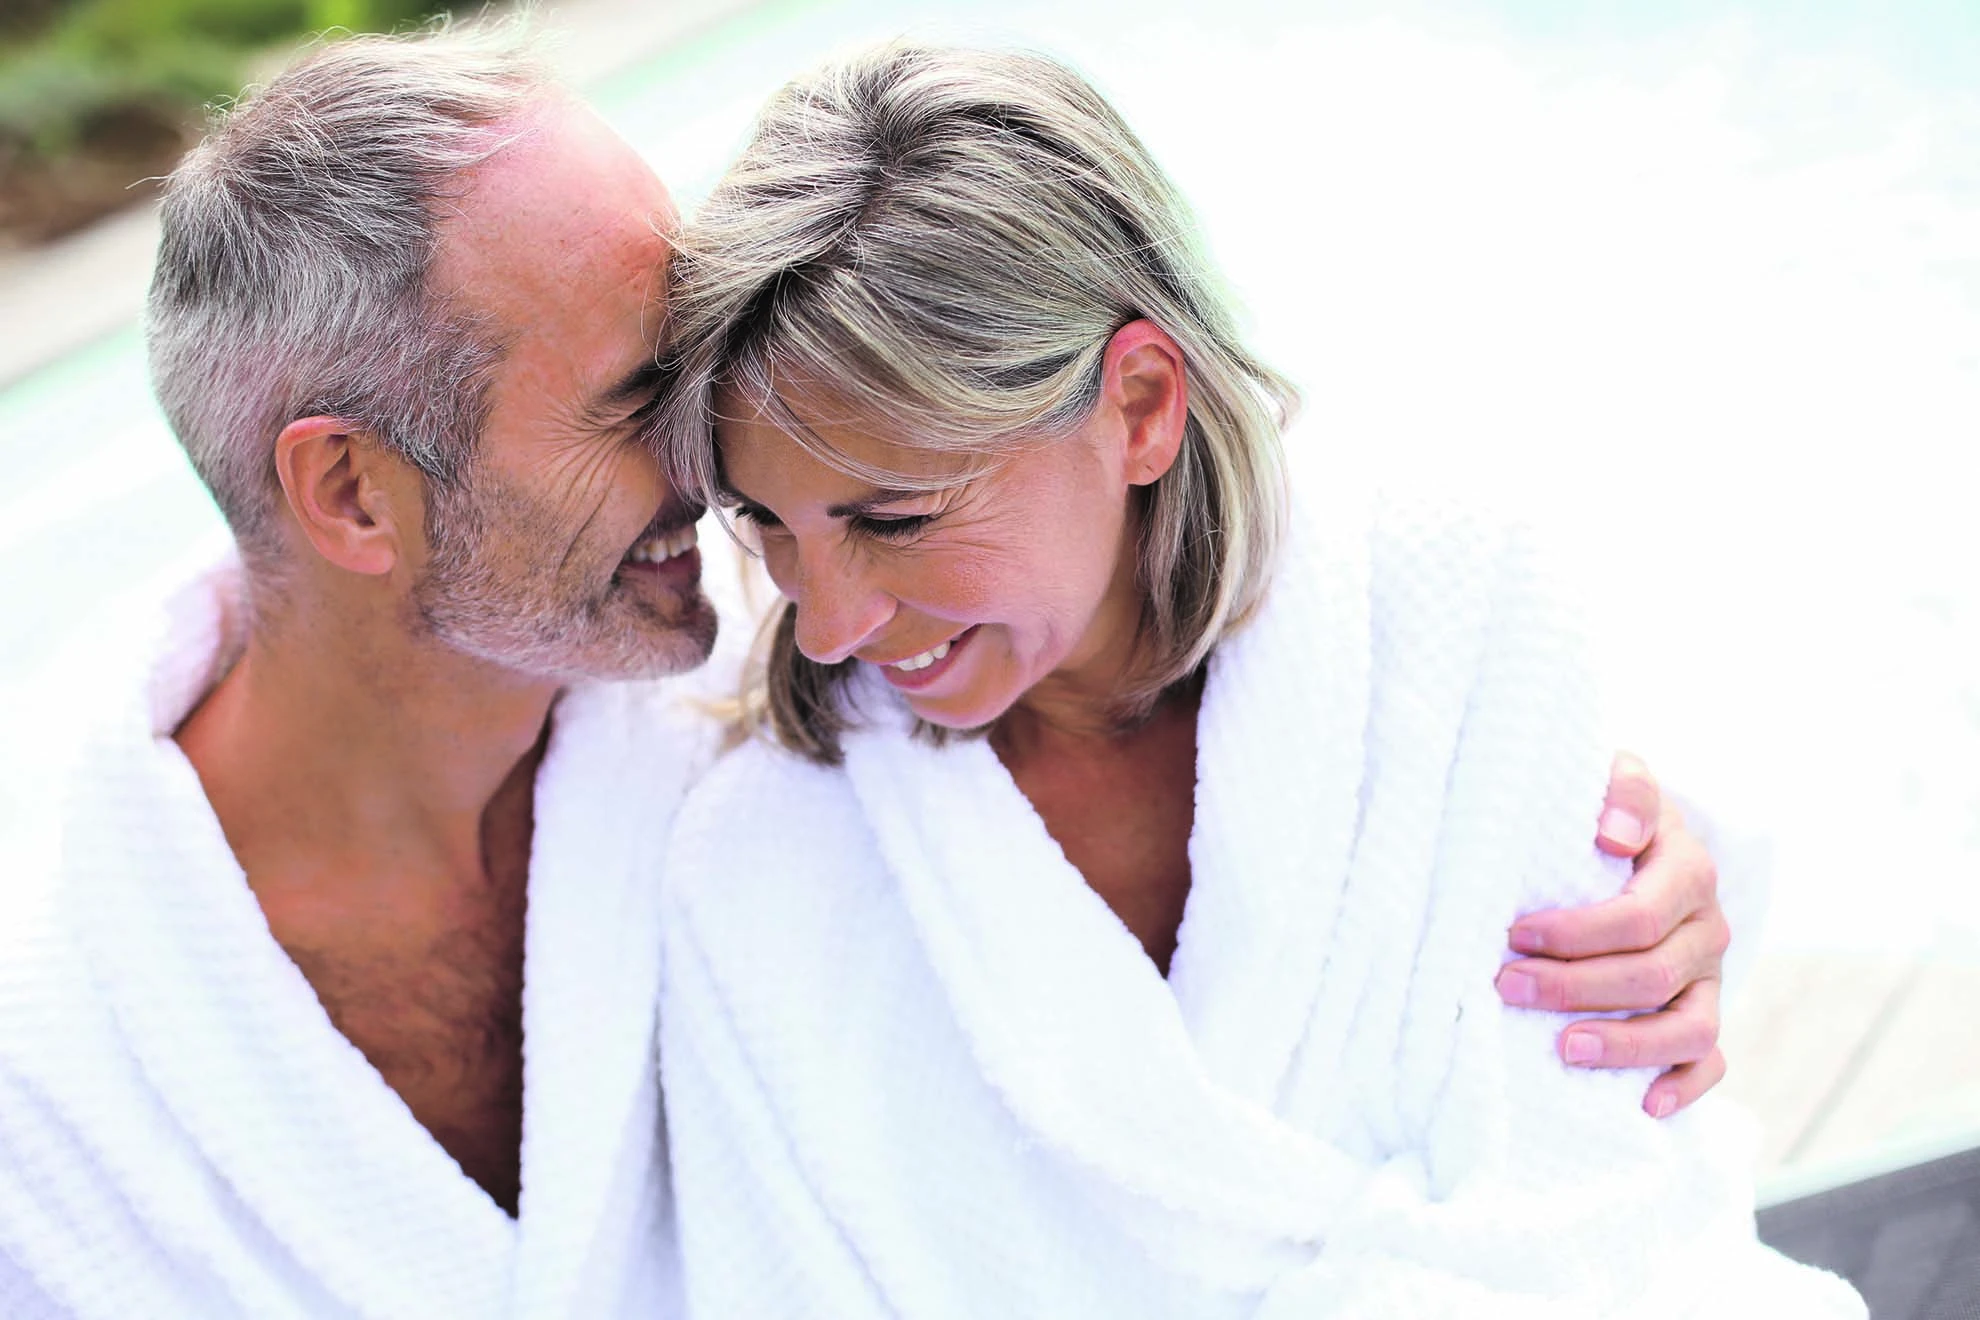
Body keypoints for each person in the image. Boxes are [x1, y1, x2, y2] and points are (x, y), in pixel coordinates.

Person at [0, 22, 1729, 1320]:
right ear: (354, 492)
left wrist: (1654, 855)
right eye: (639, 406)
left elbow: (1280, 638)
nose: (722, 476)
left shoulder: (777, 658)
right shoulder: (62, 1032)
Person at [651, 42, 1863, 1317]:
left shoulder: (1450, 611)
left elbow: (1598, 1196)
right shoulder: (760, 866)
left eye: (894, 520)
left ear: (1138, 403)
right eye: (768, 522)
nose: (829, 623)